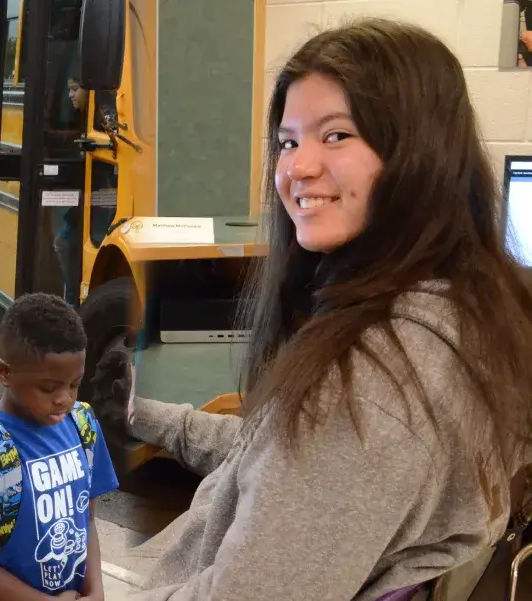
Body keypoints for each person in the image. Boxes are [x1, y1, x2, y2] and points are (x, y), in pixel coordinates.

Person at [120, 19, 532, 600]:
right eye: (288, 141)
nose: (296, 169)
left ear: (419, 150)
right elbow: (281, 466)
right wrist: (139, 413)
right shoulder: (468, 308)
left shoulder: (369, 383)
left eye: (336, 135)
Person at [0, 292, 120, 600]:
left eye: (75, 384)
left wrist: (96, 590)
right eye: (48, 388)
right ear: (4, 373)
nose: (64, 398)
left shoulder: (83, 426)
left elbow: (87, 520)